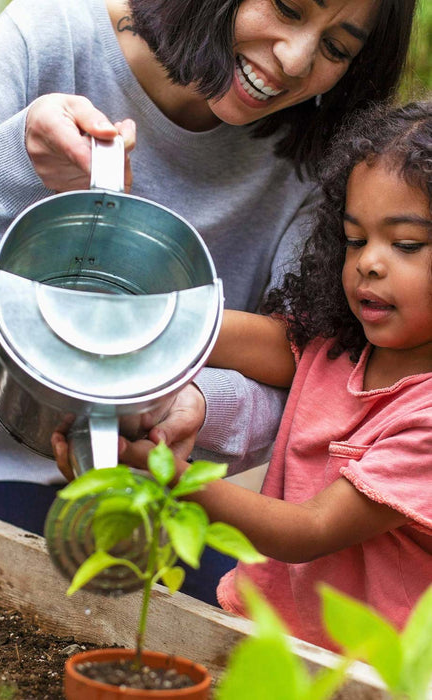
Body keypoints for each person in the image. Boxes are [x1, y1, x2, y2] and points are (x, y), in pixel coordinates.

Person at [0, 0, 417, 541]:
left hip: (164, 500)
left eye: (337, 48)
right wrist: (21, 161)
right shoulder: (56, 34)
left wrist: (196, 401)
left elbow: (307, 370)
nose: (295, 59)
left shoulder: (316, 161)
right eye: (288, 9)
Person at [109, 99, 432, 649]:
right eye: (355, 239)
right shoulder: (339, 348)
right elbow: (237, 336)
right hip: (259, 635)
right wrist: (138, 322)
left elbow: (309, 531)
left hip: (366, 674)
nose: (369, 262)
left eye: (405, 244)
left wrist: (164, 474)